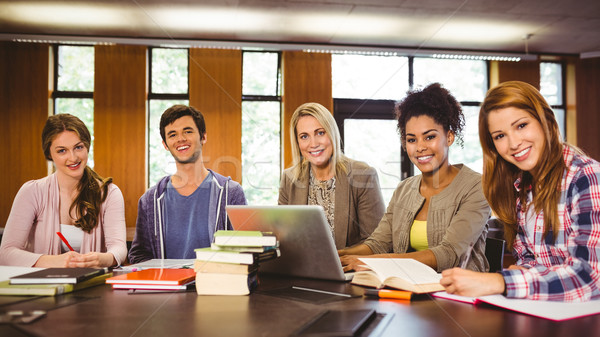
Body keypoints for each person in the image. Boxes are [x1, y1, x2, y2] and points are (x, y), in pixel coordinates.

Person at [441, 81, 600, 302]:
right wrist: (520, 271)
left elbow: (590, 277)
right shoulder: (521, 188)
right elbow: (529, 260)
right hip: (548, 314)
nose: (514, 143)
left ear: (545, 119)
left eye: (521, 125)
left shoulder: (587, 177)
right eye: (500, 136)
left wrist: (500, 281)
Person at [339, 83, 490, 272]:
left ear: (449, 137)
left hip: (458, 295)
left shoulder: (476, 186)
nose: (420, 147)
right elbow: (378, 244)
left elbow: (449, 253)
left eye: (429, 137)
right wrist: (340, 254)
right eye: (412, 139)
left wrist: (375, 263)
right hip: (408, 290)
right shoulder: (404, 189)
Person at [0, 114, 127, 268]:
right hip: (43, 287)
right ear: (49, 154)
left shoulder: (109, 194)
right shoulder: (32, 192)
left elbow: (119, 249)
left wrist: (103, 259)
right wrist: (55, 261)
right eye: (62, 151)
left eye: (78, 147)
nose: (73, 158)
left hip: (94, 286)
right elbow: (6, 253)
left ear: (87, 146)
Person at [128, 105, 247, 264]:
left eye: (188, 131)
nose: (180, 139)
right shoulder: (150, 200)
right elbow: (139, 256)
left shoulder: (231, 193)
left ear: (203, 137)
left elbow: (244, 251)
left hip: (215, 285)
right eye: (172, 134)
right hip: (167, 287)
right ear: (165, 144)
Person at [278, 102, 385, 249]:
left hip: (347, 269)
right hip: (301, 268)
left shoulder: (363, 175)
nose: (313, 143)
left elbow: (377, 243)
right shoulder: (289, 179)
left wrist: (334, 257)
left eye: (320, 133)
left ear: (332, 132)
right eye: (304, 136)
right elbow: (283, 235)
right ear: (297, 142)